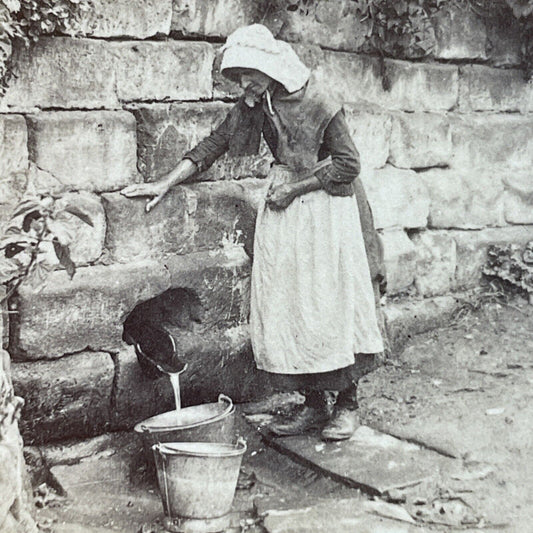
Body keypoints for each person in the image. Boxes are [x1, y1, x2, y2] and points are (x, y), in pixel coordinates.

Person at [121, 24, 385, 441]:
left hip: (326, 209)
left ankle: (347, 404)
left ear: (273, 67)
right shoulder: (257, 101)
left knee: (329, 303)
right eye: (239, 74)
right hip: (285, 210)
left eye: (251, 72)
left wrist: (294, 189)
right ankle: (313, 406)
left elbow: (348, 164)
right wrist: (165, 182)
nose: (244, 82)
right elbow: (215, 144)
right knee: (293, 307)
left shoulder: (321, 100)